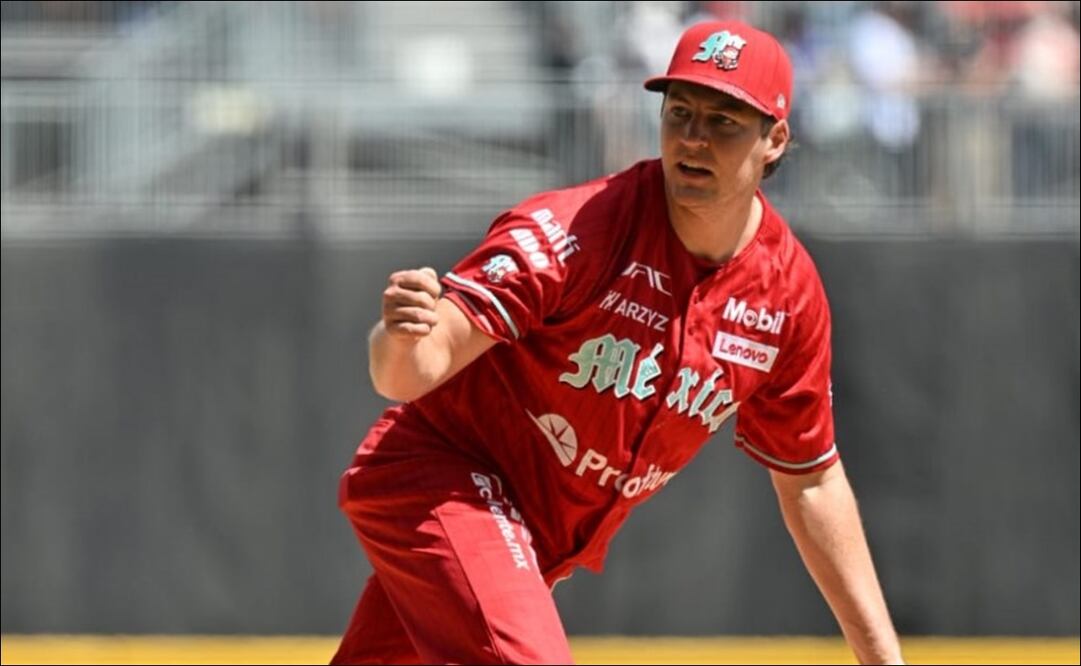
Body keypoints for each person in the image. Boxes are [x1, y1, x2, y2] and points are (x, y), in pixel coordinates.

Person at [332, 20, 904, 666]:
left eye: (722, 121)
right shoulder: (578, 230)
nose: (692, 137)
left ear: (774, 139)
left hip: (530, 540)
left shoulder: (787, 294)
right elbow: (410, 371)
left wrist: (882, 658)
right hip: (442, 484)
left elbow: (810, 481)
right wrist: (399, 334)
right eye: (679, 111)